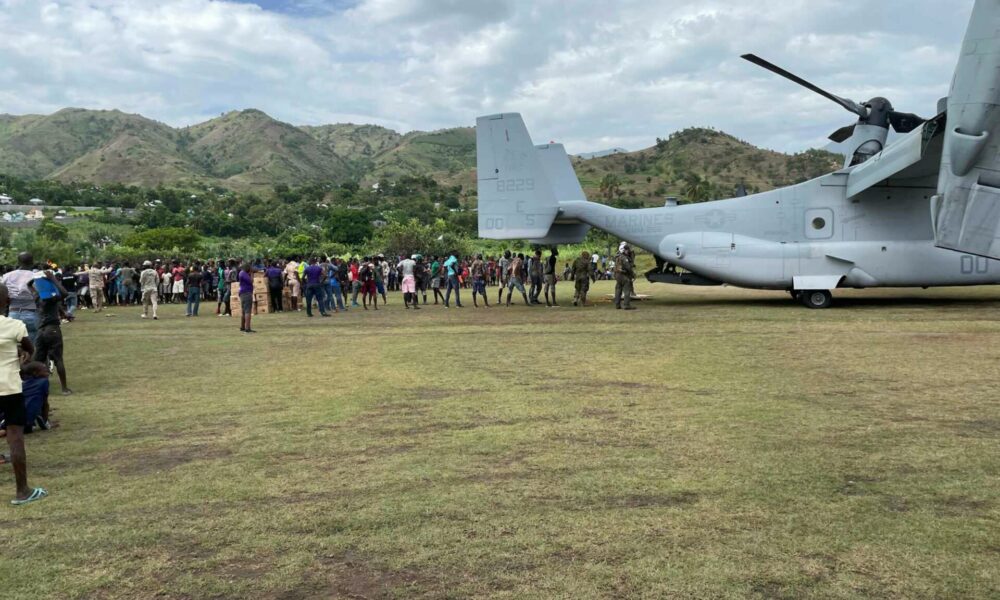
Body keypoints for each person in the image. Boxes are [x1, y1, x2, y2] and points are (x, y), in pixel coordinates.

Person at [0, 285, 48, 506]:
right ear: (7, 300)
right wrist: (19, 356)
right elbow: (30, 349)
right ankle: (22, 491)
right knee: (15, 437)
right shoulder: (15, 326)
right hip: (9, 387)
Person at [29, 271, 72, 395]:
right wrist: (52, 279)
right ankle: (64, 388)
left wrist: (35, 280)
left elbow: (28, 285)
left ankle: (35, 388)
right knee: (58, 359)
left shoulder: (37, 296)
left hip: (41, 331)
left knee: (38, 359)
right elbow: (65, 293)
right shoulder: (52, 298)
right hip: (52, 329)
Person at [2, 252, 40, 344]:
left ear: (18, 262)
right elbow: (39, 294)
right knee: (32, 343)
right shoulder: (36, 276)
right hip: (31, 313)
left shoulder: (7, 276)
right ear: (32, 262)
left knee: (14, 343)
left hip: (13, 313)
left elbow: (2, 293)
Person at [613, 242, 637, 310]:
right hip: (623, 275)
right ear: (625, 250)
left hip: (617, 275)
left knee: (618, 290)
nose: (628, 251)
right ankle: (626, 305)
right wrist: (633, 274)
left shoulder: (617, 257)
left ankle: (617, 305)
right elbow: (628, 267)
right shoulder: (624, 258)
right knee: (627, 290)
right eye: (627, 250)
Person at [238, 263, 255, 333]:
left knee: (244, 311)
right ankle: (247, 328)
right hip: (246, 293)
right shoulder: (244, 274)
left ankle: (242, 327)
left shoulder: (241, 273)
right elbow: (251, 281)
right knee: (248, 311)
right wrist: (252, 273)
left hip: (243, 293)